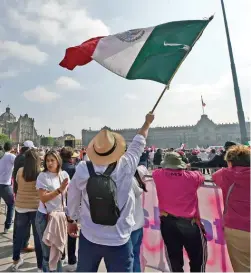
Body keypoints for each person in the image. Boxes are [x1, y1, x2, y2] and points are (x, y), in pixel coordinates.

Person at [67, 112, 154, 272]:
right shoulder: (127, 165)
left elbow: (72, 197)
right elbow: (139, 141)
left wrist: (71, 220)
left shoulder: (83, 168)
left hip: (89, 235)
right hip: (119, 238)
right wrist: (147, 123)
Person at [152, 152, 207, 272]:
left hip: (168, 222)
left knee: (174, 259)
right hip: (189, 224)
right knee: (197, 258)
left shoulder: (157, 175)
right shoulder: (192, 177)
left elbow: (156, 171)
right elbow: (201, 176)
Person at [212, 145, 250, 272]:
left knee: (242, 268)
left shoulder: (225, 174)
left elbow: (215, 176)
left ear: (230, 161)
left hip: (236, 228)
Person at [36, 150, 70, 272]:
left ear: (58, 161)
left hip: (60, 217)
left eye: (52, 160)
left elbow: (68, 196)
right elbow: (43, 198)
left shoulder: (64, 175)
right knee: (47, 254)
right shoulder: (42, 176)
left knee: (59, 252)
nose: (49, 163)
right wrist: (59, 190)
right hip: (45, 218)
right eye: (47, 160)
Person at [12, 149, 43, 271]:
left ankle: (16, 260)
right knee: (38, 237)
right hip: (36, 208)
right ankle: (40, 265)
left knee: (19, 235)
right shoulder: (40, 173)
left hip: (21, 206)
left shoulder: (20, 171)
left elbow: (18, 185)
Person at [13, 140, 36, 253]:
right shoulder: (25, 160)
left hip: (19, 192)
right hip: (25, 194)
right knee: (25, 224)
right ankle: (24, 243)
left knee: (19, 221)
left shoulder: (18, 157)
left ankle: (18, 245)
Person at [60, 147, 77, 272]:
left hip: (59, 204)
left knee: (60, 231)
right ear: (70, 157)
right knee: (71, 233)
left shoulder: (58, 169)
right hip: (71, 204)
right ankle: (72, 260)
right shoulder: (74, 169)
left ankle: (61, 256)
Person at [131, 165, 148, 272]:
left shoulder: (126, 181)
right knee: (135, 256)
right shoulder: (138, 183)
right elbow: (143, 168)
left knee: (127, 259)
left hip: (129, 229)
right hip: (138, 226)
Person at [0, 142, 16, 234]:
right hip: (5, 184)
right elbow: (18, 164)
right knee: (11, 204)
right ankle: (7, 226)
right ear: (11, 148)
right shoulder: (11, 156)